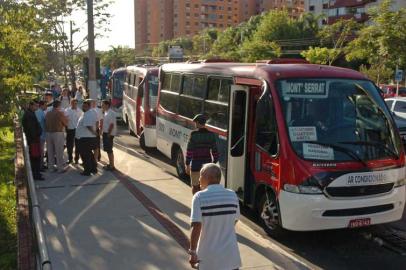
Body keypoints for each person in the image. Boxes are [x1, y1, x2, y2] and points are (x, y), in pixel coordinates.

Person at [189, 163, 241, 270]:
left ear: (209, 178)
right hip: (231, 258)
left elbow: (196, 226)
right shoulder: (232, 195)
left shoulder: (199, 197)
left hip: (209, 260)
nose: (199, 179)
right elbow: (234, 220)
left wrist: (193, 252)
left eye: (201, 175)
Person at [185, 114, 219, 194]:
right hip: (207, 166)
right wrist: (213, 163)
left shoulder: (194, 135)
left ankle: (196, 201)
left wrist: (187, 164)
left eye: (195, 122)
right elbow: (215, 151)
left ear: (198, 123)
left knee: (195, 186)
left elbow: (189, 151)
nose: (195, 124)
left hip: (196, 165)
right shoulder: (211, 135)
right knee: (206, 187)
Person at [22, 101, 44, 180]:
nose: (37, 107)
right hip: (33, 140)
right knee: (35, 158)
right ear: (31, 106)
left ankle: (37, 173)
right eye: (36, 106)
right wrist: (37, 134)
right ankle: (36, 175)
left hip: (34, 139)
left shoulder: (31, 113)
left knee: (36, 157)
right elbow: (31, 129)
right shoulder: (29, 115)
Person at [45, 100, 68, 173]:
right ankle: (60, 168)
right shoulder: (60, 113)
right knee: (59, 151)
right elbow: (66, 123)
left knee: (50, 151)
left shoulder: (48, 113)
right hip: (57, 133)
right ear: (59, 106)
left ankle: (51, 167)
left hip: (48, 133)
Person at [75, 100, 97, 176]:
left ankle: (87, 171)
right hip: (85, 137)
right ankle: (94, 168)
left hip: (85, 138)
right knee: (89, 154)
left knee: (85, 155)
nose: (83, 107)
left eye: (85, 106)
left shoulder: (88, 114)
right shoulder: (86, 113)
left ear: (89, 106)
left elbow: (88, 125)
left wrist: (94, 133)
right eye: (83, 106)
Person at [65, 99, 83, 164]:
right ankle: (70, 159)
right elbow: (65, 120)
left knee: (78, 145)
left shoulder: (80, 111)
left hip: (78, 130)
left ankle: (76, 159)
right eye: (73, 103)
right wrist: (66, 128)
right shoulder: (67, 110)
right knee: (69, 145)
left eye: (75, 103)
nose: (74, 104)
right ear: (70, 103)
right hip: (70, 130)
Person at [101, 100, 117, 171]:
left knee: (109, 150)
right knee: (108, 150)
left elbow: (111, 124)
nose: (102, 106)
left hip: (108, 134)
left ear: (107, 105)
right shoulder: (106, 112)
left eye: (103, 104)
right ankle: (110, 164)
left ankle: (112, 166)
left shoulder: (111, 113)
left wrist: (108, 134)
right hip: (106, 133)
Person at [35, 100, 47, 170]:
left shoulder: (41, 112)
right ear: (41, 105)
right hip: (40, 135)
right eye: (45, 105)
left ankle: (41, 164)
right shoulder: (39, 112)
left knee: (41, 150)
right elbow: (38, 123)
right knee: (41, 151)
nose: (46, 106)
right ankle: (40, 166)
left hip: (42, 134)